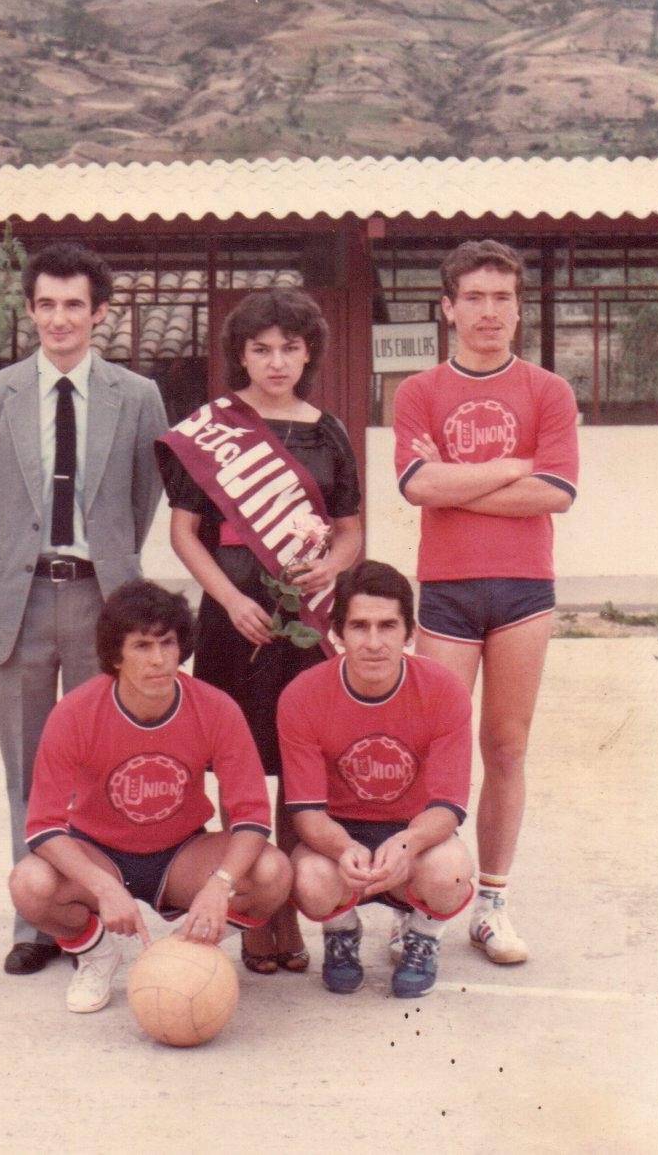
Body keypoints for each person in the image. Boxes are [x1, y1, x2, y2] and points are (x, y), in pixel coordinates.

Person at [0, 242, 168, 976]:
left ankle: (93, 918)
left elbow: (140, 501)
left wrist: (100, 564)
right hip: (18, 600)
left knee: (96, 768)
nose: (59, 319)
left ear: (99, 312)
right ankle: (37, 921)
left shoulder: (136, 397)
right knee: (26, 768)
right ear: (30, 309)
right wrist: (24, 559)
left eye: (74, 304)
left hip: (98, 603)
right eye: (45, 304)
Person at [156, 287, 362, 975]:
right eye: (261, 349)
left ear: (309, 354)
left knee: (297, 768)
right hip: (233, 620)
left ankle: (286, 911)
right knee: (241, 763)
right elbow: (184, 534)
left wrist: (331, 566)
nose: (276, 362)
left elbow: (350, 531)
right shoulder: (211, 428)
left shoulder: (329, 432)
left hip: (307, 620)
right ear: (239, 356)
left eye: (290, 348)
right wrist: (228, 598)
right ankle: (252, 908)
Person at [392, 240, 579, 964]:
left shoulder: (547, 391)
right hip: (446, 588)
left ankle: (492, 903)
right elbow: (417, 485)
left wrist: (456, 479)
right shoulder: (419, 391)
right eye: (474, 297)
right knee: (430, 747)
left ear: (519, 309)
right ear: (448, 307)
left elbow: (555, 492)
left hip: (524, 590)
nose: (488, 311)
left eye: (502, 298)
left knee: (505, 745)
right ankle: (421, 903)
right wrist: (509, 465)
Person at [10, 581, 292, 1013]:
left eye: (167, 643)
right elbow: (43, 825)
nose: (158, 659)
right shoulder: (76, 712)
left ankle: (184, 950)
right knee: (29, 884)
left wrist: (219, 885)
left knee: (272, 872)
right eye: (142, 646)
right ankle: (98, 954)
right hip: (100, 850)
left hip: (181, 852)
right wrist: (102, 886)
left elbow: (252, 814)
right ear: (116, 655)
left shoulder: (215, 707)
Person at [280, 561, 474, 998]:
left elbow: (448, 805)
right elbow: (307, 812)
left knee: (451, 871)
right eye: (359, 626)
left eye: (387, 626)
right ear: (337, 632)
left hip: (412, 831)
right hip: (341, 835)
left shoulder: (443, 690)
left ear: (409, 633)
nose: (373, 643)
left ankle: (422, 936)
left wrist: (408, 843)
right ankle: (341, 932)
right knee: (308, 876)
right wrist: (342, 848)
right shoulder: (303, 695)